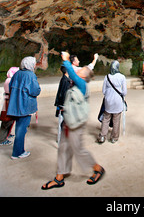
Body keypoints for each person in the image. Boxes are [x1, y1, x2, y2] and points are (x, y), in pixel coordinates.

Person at [42, 52, 105, 189]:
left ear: (84, 76)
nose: (80, 68)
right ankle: (59, 177)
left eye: (82, 70)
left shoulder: (82, 84)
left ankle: (97, 168)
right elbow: (73, 71)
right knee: (63, 148)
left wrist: (65, 59)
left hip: (76, 123)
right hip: (69, 121)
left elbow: (71, 71)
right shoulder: (77, 80)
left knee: (79, 150)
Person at [7, 57, 41, 159]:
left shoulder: (17, 73)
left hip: (16, 105)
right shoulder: (30, 75)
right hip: (25, 106)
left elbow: (10, 87)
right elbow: (35, 91)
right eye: (34, 63)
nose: (35, 65)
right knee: (21, 130)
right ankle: (18, 152)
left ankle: (18, 151)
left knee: (19, 128)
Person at [97, 60, 127, 144]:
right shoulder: (122, 77)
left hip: (108, 101)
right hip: (118, 101)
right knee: (116, 119)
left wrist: (109, 94)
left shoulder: (107, 77)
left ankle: (102, 136)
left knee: (106, 118)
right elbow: (124, 92)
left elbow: (103, 91)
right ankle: (114, 137)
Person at [0, 67, 19, 146]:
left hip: (8, 102)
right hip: (9, 103)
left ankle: (6, 134)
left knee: (8, 120)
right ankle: (2, 139)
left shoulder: (8, 80)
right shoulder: (11, 81)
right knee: (7, 121)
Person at [54, 65, 71, 144]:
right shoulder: (65, 81)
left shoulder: (66, 79)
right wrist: (62, 105)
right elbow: (63, 94)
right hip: (63, 105)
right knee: (63, 122)